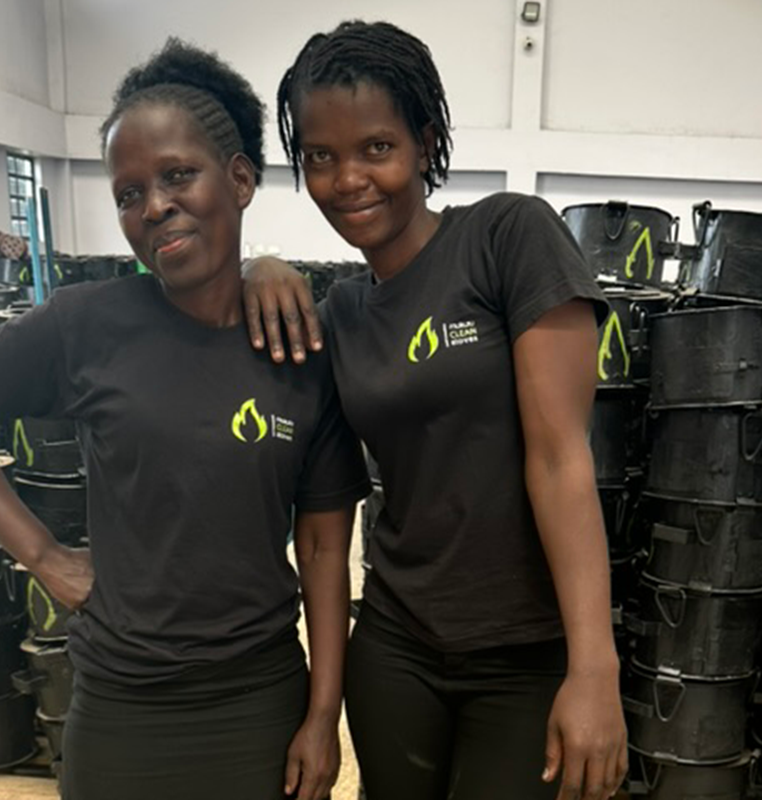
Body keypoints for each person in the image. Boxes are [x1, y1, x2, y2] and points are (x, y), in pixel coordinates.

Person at [0, 38, 369, 800]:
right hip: (121, 708)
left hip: (257, 703)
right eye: (129, 193)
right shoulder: (85, 325)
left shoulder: (298, 349)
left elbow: (324, 548)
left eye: (177, 175)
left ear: (240, 179)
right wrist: (43, 555)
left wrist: (324, 716)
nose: (154, 206)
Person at [243, 20, 627, 800]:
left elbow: (562, 459)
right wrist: (257, 263)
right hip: (396, 646)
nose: (348, 179)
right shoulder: (343, 314)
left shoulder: (508, 237)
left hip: (524, 654)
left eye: (376, 147)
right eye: (320, 157)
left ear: (424, 143)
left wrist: (595, 668)